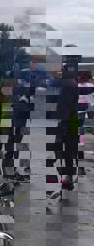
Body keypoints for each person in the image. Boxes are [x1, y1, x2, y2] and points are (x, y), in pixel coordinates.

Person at [54, 57, 80, 191]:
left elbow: (65, 103)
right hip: (72, 117)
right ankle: (69, 175)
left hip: (67, 118)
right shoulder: (74, 79)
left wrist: (61, 120)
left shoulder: (68, 81)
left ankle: (67, 176)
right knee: (70, 147)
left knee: (64, 147)